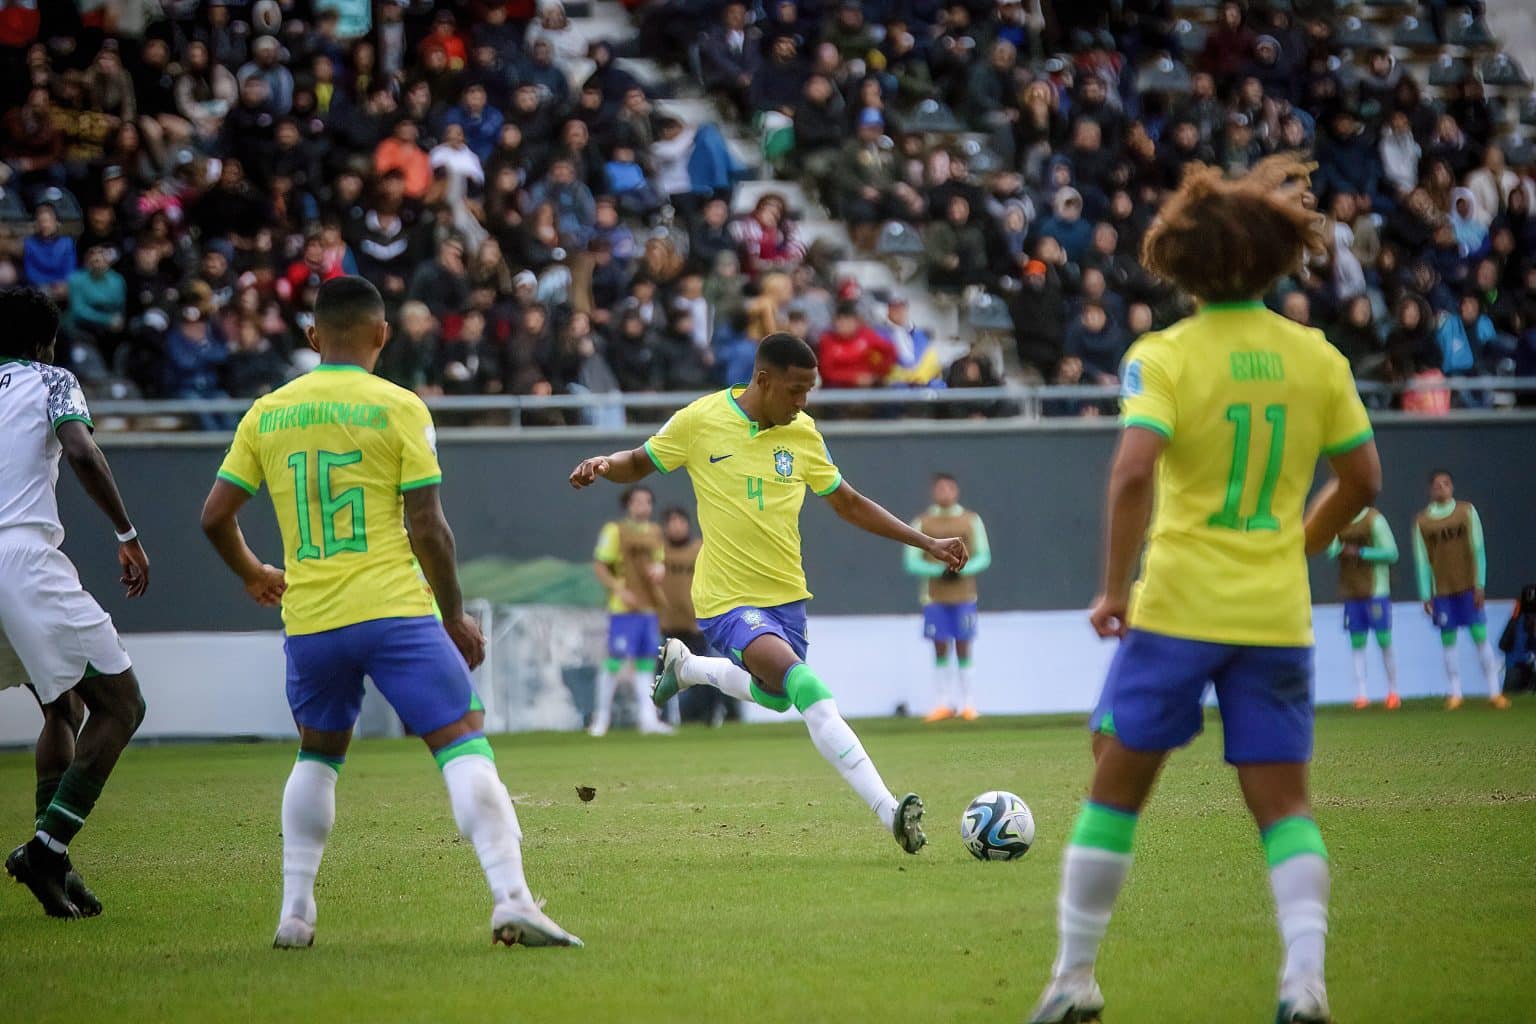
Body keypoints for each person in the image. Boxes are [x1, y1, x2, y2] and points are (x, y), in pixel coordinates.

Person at [1026, 157, 1382, 1024]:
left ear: (1181, 260)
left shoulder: (1165, 356)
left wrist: (1112, 589)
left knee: (1115, 786)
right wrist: (1292, 546)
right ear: (1272, 257)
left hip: (1179, 606)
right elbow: (1364, 481)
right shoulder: (1316, 358)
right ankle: (1305, 983)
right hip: (1274, 613)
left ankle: (1074, 979)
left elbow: (1131, 475)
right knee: (1286, 807)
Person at [199, 276, 578, 949]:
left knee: (318, 756)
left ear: (313, 338)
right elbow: (428, 526)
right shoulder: (399, 406)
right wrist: (455, 614)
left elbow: (215, 517)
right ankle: (512, 897)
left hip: (311, 620)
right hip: (394, 611)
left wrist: (254, 571)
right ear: (382, 334)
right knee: (463, 739)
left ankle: (295, 914)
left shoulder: (267, 412)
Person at [569, 333, 968, 854]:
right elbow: (640, 461)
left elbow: (847, 503)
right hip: (725, 601)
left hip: (786, 597)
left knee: (777, 696)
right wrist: (605, 464)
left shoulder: (802, 434)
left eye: (810, 390)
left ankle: (689, 669)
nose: (804, 401)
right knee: (806, 689)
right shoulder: (701, 420)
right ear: (763, 380)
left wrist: (926, 541)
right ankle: (890, 810)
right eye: (796, 390)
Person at [0, 287, 151, 919]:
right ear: (45, 343)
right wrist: (126, 533)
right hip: (22, 559)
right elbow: (82, 450)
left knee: (59, 707)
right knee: (121, 704)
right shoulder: (52, 379)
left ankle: (53, 868)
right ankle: (47, 848)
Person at [1411, 470, 1508, 710]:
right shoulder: (1422, 522)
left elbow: (1478, 550)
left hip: (1467, 587)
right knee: (1448, 640)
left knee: (1479, 636)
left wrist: (1480, 584)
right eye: (1437, 484)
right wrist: (1425, 593)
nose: (1442, 488)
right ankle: (1455, 693)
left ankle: (1495, 691)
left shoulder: (1466, 512)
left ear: (1452, 487)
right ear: (1430, 490)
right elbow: (1422, 560)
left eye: (1446, 483)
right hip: (1442, 591)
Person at [904, 474, 992, 722]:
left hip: (964, 595)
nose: (944, 492)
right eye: (939, 488)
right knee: (940, 644)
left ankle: (968, 704)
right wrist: (937, 571)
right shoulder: (922, 521)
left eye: (949, 487)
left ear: (956, 490)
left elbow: (984, 555)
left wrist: (962, 569)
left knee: (964, 644)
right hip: (934, 596)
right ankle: (942, 703)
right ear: (933, 492)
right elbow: (911, 561)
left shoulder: (970, 520)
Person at [588, 485, 672, 737]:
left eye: (647, 502)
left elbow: (659, 561)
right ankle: (601, 718)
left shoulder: (656, 532)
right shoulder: (615, 531)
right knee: (615, 661)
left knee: (646, 663)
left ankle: (648, 719)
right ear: (628, 505)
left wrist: (660, 569)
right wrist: (618, 589)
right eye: (637, 502)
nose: (642, 506)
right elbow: (600, 566)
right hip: (623, 609)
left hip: (648, 607)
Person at [658, 507, 734, 726]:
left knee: (704, 672)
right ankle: (662, 718)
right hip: (668, 622)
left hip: (696, 623)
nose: (676, 526)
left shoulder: (699, 549)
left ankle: (712, 714)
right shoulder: (659, 551)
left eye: (680, 521)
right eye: (671, 522)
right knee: (663, 673)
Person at [1324, 508, 1400, 709]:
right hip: (1351, 591)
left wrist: (1361, 552)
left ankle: (1393, 692)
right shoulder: (1337, 518)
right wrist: (1339, 549)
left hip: (1376, 591)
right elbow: (1330, 549)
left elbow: (1392, 553)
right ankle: (1361, 694)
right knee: (1357, 643)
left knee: (1384, 640)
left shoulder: (1374, 519)